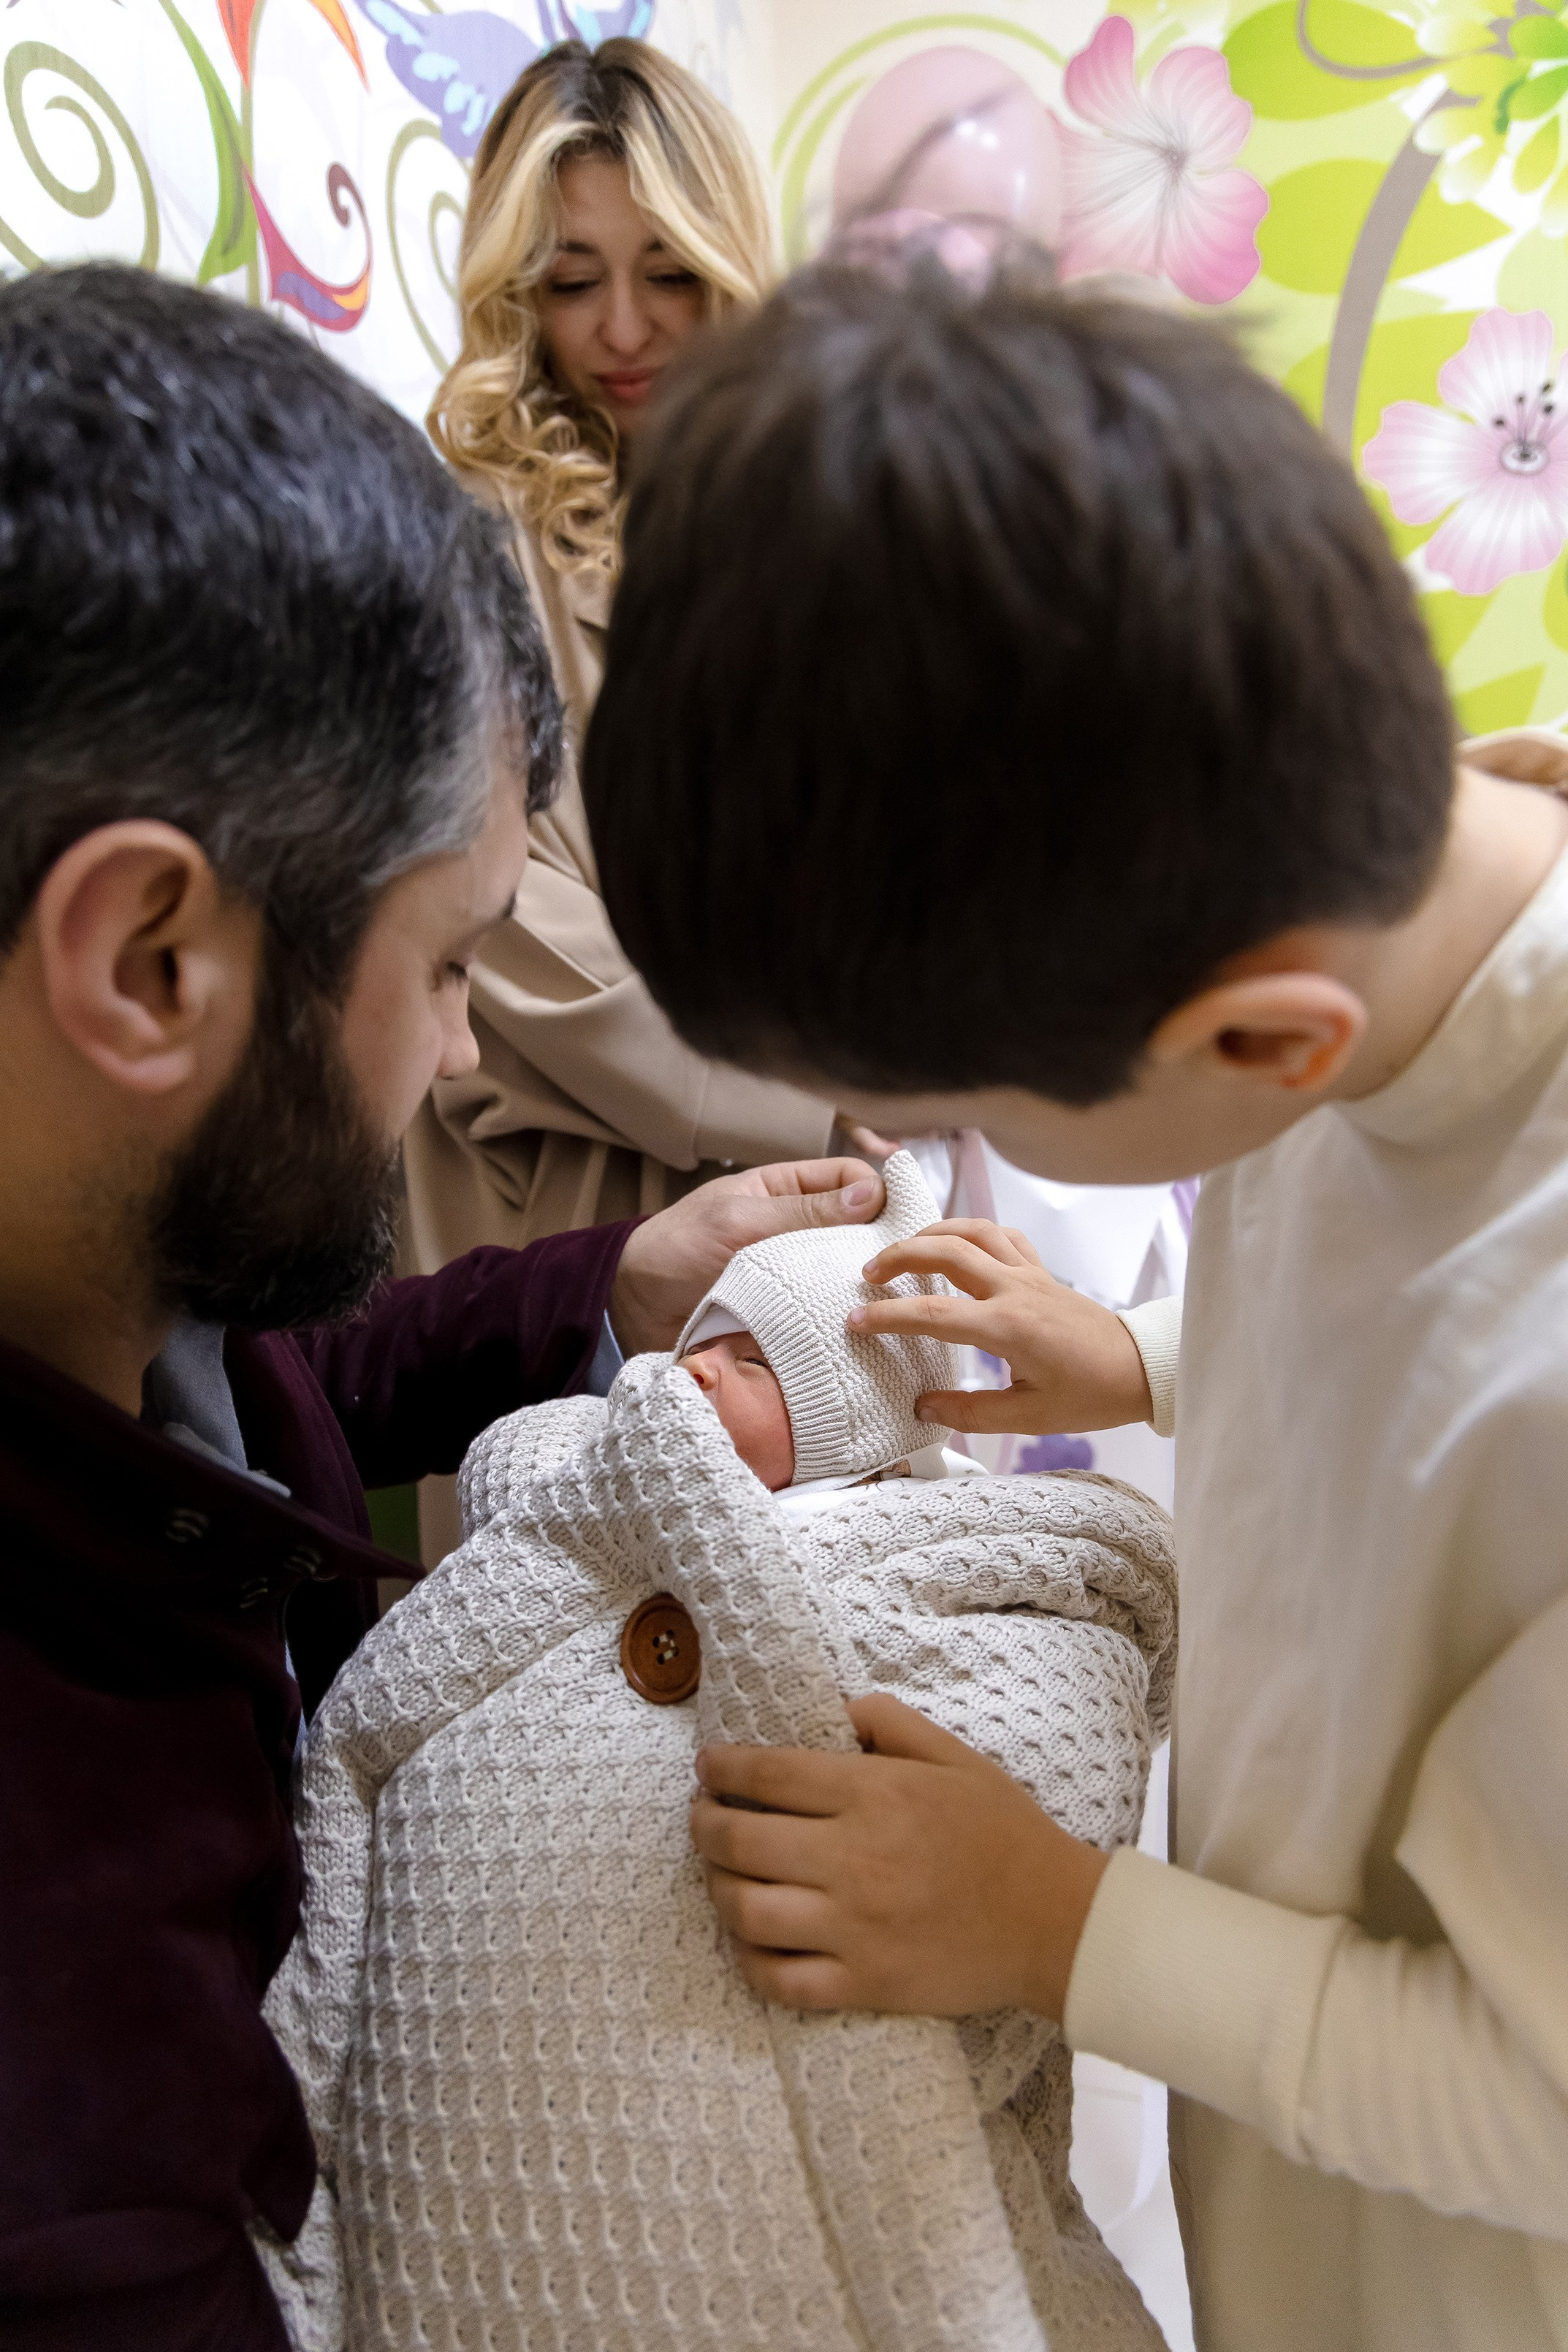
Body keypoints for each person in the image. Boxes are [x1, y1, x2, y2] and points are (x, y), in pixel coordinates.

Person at [580, 255, 1568, 2350]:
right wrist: (1145, 1357)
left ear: (1257, 1042)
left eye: (956, 1105)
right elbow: (1408, 1368)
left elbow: (1531, 2094)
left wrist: (1050, 1919)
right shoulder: (1372, 924)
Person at [0, 262, 883, 2352]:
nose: (468, 1046)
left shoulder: (118, 1254)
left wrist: (615, 1280)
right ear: (150, 962)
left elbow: (292, 1373)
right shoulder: (84, 2058)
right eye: (451, 958)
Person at [261, 1153, 1174, 2351]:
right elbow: (403, 1699)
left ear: (853, 1426)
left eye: (752, 1364)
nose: (693, 1370)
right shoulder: (580, 1502)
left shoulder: (957, 1554)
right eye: (698, 1342)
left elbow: (1047, 1759)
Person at [407, 37, 837, 1272]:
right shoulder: (471, 526)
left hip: (818, 1139)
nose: (624, 327)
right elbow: (483, 893)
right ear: (513, 288)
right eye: (569, 278)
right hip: (571, 1170)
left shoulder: (805, 517)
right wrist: (788, 1095)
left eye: (668, 273)